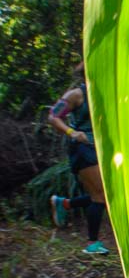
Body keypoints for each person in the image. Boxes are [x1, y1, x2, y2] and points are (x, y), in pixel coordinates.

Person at [46, 63, 110, 255]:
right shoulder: (77, 94)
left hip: (99, 149)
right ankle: (92, 244)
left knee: (105, 194)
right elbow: (53, 116)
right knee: (99, 195)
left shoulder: (106, 93)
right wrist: (72, 133)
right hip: (82, 148)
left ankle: (64, 203)